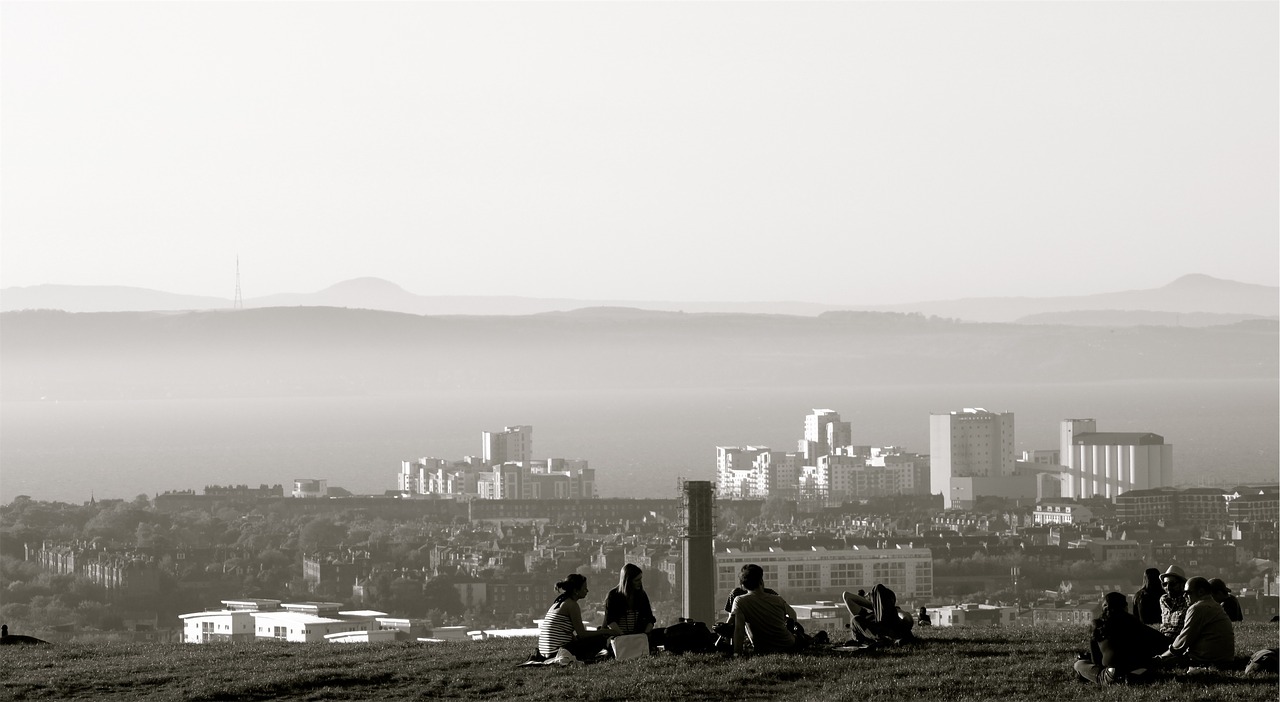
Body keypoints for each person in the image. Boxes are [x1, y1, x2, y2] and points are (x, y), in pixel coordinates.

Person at [1073, 592, 1168, 685]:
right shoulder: (1135, 623)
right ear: (1125, 607)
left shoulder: (1097, 627)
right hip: (1138, 667)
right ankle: (1134, 675)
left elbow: (1096, 660)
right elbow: (1161, 641)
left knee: (1079, 664)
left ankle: (1113, 677)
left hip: (1113, 672)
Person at [1157, 576, 1236, 670]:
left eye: (1187, 593)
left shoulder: (1197, 608)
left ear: (1201, 592)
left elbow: (1182, 642)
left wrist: (1161, 658)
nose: (1184, 596)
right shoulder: (1214, 605)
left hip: (1205, 661)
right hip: (1223, 660)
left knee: (1151, 664)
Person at [729, 563, 806, 656]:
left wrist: (737, 653)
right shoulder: (777, 599)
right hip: (788, 644)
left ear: (743, 585)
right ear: (761, 582)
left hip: (762, 648)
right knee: (801, 635)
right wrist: (790, 630)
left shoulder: (740, 601)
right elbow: (792, 614)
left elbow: (739, 630)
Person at [537, 573, 615, 661]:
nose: (587, 590)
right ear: (576, 590)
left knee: (597, 633)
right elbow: (582, 634)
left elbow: (569, 634)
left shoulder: (559, 602)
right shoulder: (572, 605)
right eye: (584, 588)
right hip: (557, 652)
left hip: (545, 652)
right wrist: (605, 631)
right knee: (601, 638)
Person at [604, 563, 664, 649]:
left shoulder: (641, 595)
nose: (640, 582)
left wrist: (644, 635)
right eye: (636, 580)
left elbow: (649, 618)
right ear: (627, 581)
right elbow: (610, 621)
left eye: (640, 579)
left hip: (639, 637)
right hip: (619, 638)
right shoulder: (613, 596)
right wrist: (623, 636)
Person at [845, 584, 914, 646]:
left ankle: (885, 639)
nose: (868, 594)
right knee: (855, 619)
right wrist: (874, 606)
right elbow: (847, 596)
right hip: (877, 634)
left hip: (890, 629)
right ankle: (881, 639)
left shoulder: (894, 611)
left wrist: (879, 605)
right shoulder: (867, 615)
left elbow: (908, 619)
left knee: (878, 588)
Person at [1157, 565, 1189, 639]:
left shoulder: (1188, 601)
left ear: (1182, 585)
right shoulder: (1163, 600)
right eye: (1165, 584)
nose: (1168, 588)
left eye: (1172, 584)